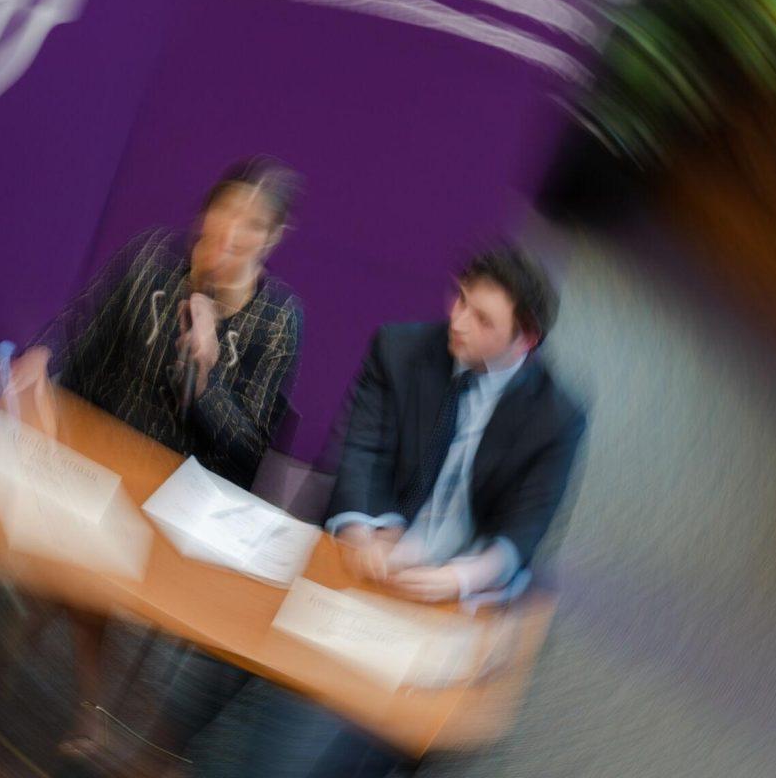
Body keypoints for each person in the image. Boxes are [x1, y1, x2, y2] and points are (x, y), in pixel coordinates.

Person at [0, 157, 304, 773]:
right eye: (224, 211)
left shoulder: (278, 320)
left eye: (252, 223)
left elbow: (247, 447)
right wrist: (43, 363)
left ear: (274, 237)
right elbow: (82, 331)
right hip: (91, 461)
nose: (231, 233)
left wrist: (206, 372)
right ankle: (89, 713)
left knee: (71, 560)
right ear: (205, 211)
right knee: (76, 546)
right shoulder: (152, 260)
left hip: (179, 501)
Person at [217, 243, 589, 778]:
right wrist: (365, 531)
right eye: (459, 299)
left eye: (482, 318)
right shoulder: (400, 348)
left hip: (460, 595)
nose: (457, 321)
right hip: (373, 570)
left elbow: (525, 530)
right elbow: (358, 451)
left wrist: (455, 579)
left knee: (377, 735)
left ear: (525, 340)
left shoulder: (558, 417)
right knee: (285, 739)